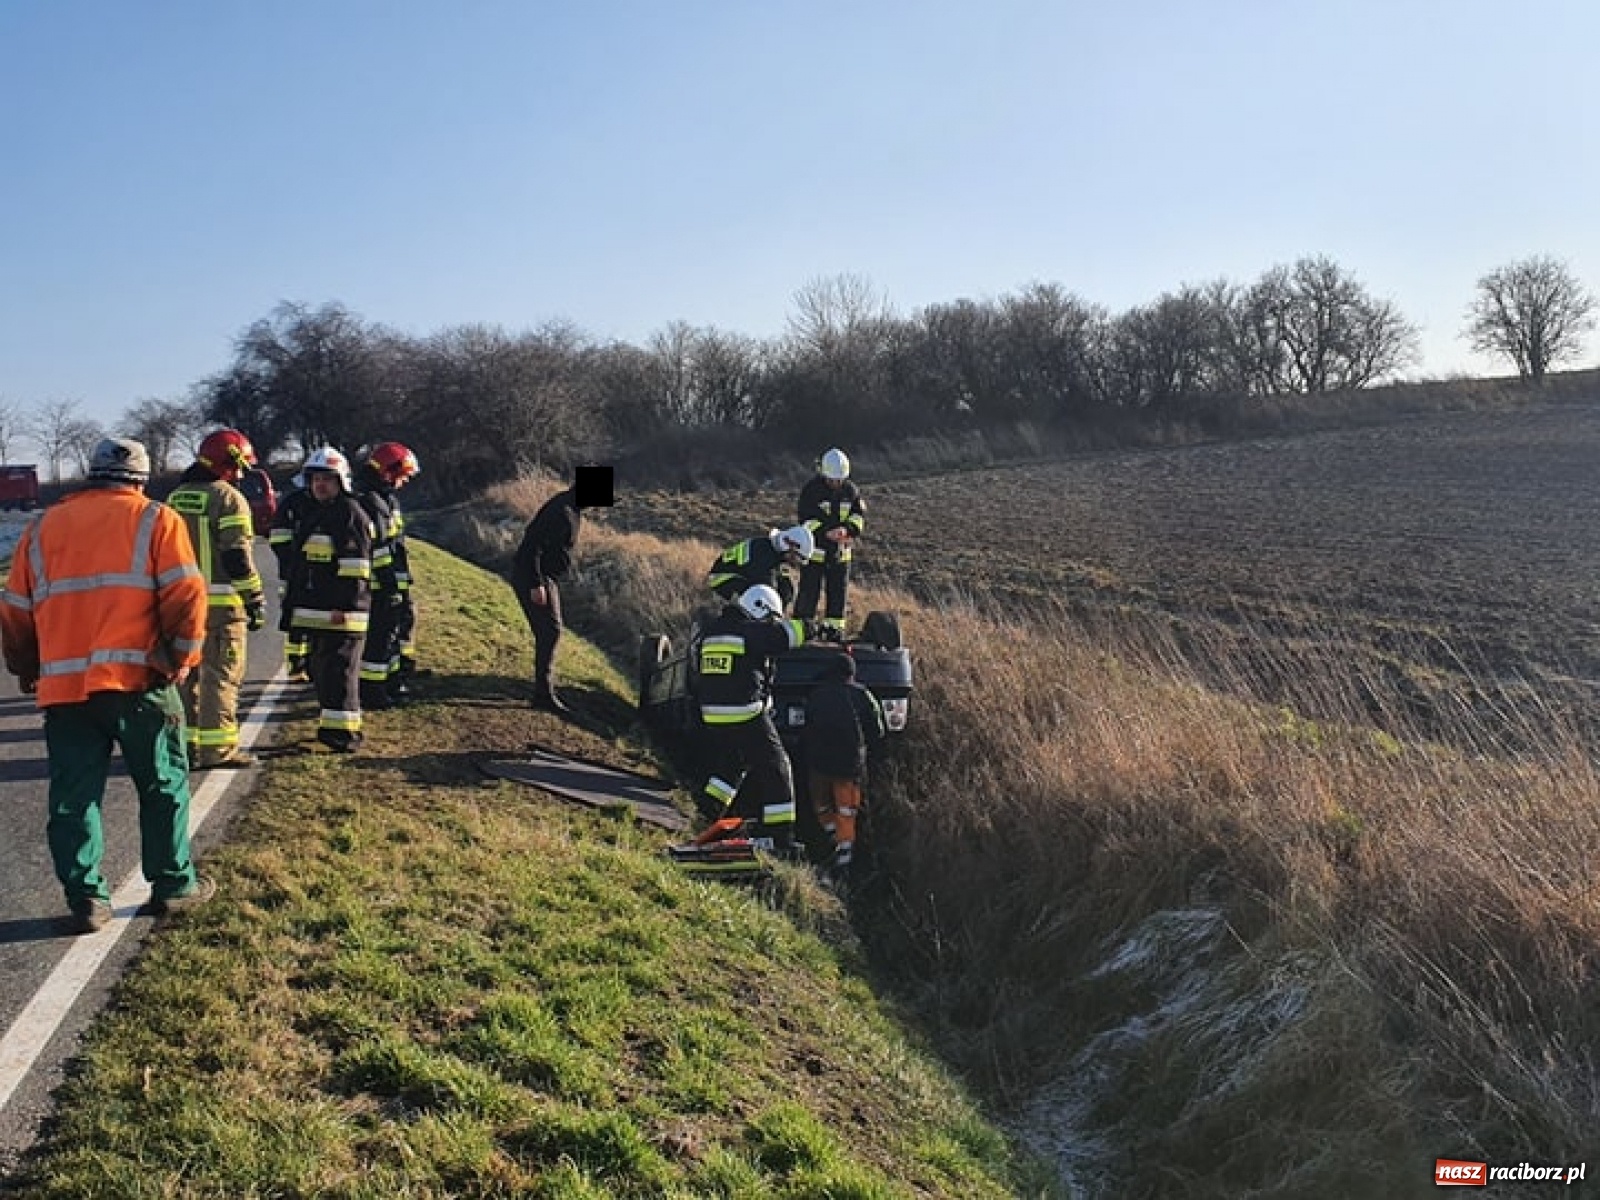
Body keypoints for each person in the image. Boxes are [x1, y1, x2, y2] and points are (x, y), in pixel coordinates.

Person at [0, 437, 213, 933]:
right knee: (162, 786)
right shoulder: (157, 520)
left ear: (91, 475)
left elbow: (14, 608)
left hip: (67, 691)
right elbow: (186, 594)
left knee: (74, 797)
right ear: (139, 480)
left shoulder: (42, 526)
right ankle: (173, 885)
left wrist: (27, 667)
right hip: (141, 683)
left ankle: (86, 899)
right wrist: (182, 658)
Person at [692, 584, 825, 854]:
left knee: (733, 764)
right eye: (769, 618)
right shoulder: (749, 631)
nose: (769, 624)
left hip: (712, 714)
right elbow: (783, 637)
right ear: (759, 608)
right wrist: (813, 627)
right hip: (744, 711)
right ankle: (781, 838)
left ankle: (706, 812)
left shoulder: (713, 632)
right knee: (777, 766)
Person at [165, 428, 267, 769]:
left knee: (186, 680)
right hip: (222, 609)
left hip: (180, 607)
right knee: (220, 677)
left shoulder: (176, 497)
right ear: (228, 463)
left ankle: (185, 748)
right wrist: (254, 598)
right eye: (239, 467)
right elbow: (237, 556)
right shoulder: (228, 498)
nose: (241, 474)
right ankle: (218, 750)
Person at [273, 447, 374, 752]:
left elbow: (356, 568)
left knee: (340, 674)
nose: (320, 485)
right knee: (324, 672)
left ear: (341, 481)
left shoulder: (349, 513)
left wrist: (345, 608)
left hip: (342, 612)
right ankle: (331, 731)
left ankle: (344, 736)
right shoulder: (313, 512)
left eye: (327, 479)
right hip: (317, 610)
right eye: (316, 479)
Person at [802, 650, 886, 881]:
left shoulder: (816, 694)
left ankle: (830, 843)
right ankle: (844, 863)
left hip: (819, 764)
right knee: (847, 812)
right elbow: (877, 730)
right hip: (849, 766)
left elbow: (807, 729)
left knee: (823, 807)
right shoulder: (863, 695)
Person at [511, 473, 589, 714]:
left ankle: (543, 691)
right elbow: (532, 546)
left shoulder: (570, 507)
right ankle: (543, 694)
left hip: (546, 577)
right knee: (550, 631)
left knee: (549, 632)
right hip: (535, 577)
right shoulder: (561, 511)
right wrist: (536, 584)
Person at [351, 444, 411, 710]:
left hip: (393, 578)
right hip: (379, 584)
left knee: (392, 635)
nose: (405, 480)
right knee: (378, 639)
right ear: (388, 472)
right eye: (403, 474)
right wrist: (389, 583)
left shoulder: (385, 498)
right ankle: (373, 693)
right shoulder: (371, 500)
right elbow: (379, 548)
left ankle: (391, 683)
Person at [794, 447, 866, 633]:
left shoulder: (851, 491)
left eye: (839, 480)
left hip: (840, 555)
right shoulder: (811, 491)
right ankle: (801, 631)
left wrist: (847, 530)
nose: (836, 483)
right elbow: (806, 519)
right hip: (815, 554)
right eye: (832, 480)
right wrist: (825, 532)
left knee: (838, 597)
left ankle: (834, 632)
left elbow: (858, 516)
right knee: (808, 595)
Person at [267, 471, 316, 682]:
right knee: (296, 621)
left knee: (315, 620)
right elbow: (278, 539)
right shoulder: (293, 504)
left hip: (320, 574)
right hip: (295, 574)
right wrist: (293, 565)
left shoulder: (332, 503)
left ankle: (312, 664)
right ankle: (296, 665)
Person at [706, 525, 815, 611]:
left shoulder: (774, 553)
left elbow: (784, 589)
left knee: (785, 589)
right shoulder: (762, 552)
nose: (796, 562)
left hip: (741, 577)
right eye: (797, 557)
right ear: (790, 544)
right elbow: (763, 586)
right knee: (760, 598)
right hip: (722, 582)